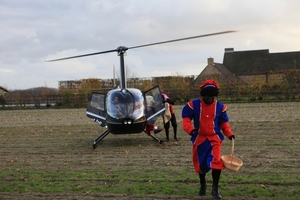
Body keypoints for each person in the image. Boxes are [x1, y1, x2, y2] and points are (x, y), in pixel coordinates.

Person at [181, 80, 235, 199]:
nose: (209, 98)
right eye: (207, 96)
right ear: (203, 95)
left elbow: (224, 123)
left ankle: (215, 189)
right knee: (201, 165)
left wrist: (229, 134)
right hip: (199, 139)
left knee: (216, 162)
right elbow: (186, 120)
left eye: (212, 96)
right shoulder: (193, 105)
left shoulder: (220, 107)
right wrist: (191, 130)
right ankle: (202, 185)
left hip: (214, 139)